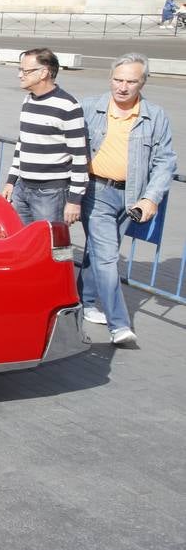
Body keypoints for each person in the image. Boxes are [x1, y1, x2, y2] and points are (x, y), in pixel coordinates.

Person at [79, 54, 177, 345]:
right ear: (110, 78)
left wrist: (150, 198)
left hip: (131, 197)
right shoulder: (89, 108)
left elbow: (165, 161)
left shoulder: (155, 115)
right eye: (118, 79)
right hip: (95, 192)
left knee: (98, 251)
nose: (122, 87)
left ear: (143, 82)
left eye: (131, 81)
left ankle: (84, 301)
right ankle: (119, 324)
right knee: (107, 256)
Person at [1, 48, 88, 226]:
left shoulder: (68, 106)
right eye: (20, 69)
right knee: (23, 239)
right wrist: (11, 181)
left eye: (25, 71)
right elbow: (22, 143)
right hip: (22, 188)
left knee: (50, 241)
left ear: (44, 73)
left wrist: (74, 200)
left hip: (51, 193)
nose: (20, 75)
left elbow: (80, 157)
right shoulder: (28, 100)